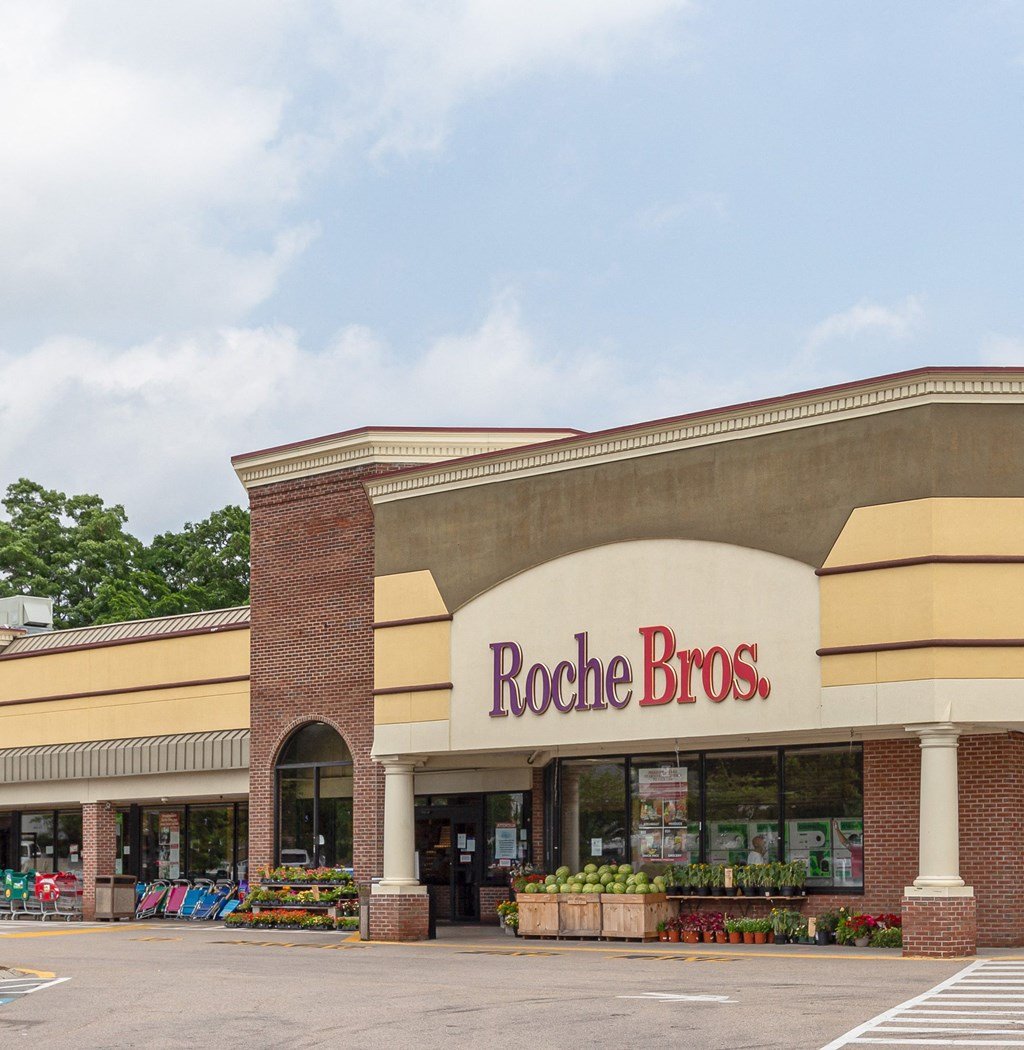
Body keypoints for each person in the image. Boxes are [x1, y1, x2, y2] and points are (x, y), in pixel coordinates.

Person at [833, 820, 864, 884]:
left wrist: (837, 829)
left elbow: (844, 842)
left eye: (851, 842)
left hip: (860, 878)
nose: (850, 844)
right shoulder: (857, 849)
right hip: (858, 878)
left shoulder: (857, 849)